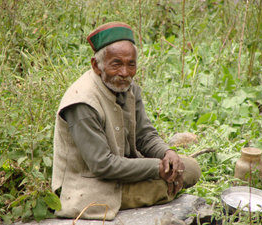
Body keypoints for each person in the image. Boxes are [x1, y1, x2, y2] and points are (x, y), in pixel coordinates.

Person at [52, 22, 201, 220]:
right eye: (116, 64)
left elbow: (145, 135)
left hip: (123, 171)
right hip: (90, 185)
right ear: (96, 65)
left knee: (187, 168)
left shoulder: (128, 88)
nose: (125, 72)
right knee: (169, 179)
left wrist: (168, 153)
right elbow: (102, 165)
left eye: (131, 64)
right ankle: (142, 195)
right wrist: (158, 168)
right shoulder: (82, 102)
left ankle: (162, 184)